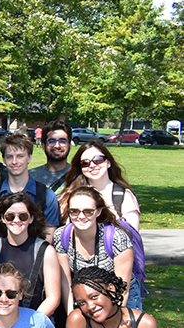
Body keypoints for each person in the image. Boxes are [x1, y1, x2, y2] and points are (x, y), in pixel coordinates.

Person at [62, 142, 144, 308]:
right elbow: (65, 235)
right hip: (83, 286)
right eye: (85, 163)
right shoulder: (69, 196)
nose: (92, 165)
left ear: (108, 162)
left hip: (119, 282)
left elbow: (130, 241)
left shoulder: (122, 196)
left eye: (98, 160)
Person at [54, 186, 135, 312]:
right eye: (74, 211)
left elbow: (123, 290)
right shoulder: (62, 236)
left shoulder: (117, 238)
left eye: (88, 211)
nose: (81, 216)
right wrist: (71, 316)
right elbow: (66, 284)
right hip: (85, 296)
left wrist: (113, 321)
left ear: (98, 212)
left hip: (120, 297)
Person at [0, 192, 60, 319]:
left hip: (37, 321)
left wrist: (32, 325)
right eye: (10, 216)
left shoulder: (46, 251)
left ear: (31, 219)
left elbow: (53, 298)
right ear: (3, 218)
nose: (16, 220)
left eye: (23, 216)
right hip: (2, 322)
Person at [0, 134, 60, 228]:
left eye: (20, 156)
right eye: (9, 157)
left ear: (29, 157)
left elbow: (49, 234)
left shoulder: (46, 196)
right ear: (4, 159)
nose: (14, 161)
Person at [30, 120, 73, 192]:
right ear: (43, 146)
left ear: (70, 146)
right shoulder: (30, 177)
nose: (57, 146)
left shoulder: (78, 175)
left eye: (63, 141)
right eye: (52, 141)